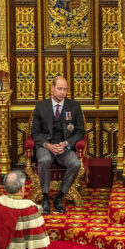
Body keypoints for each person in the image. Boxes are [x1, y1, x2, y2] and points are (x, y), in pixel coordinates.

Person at [30, 76, 85, 215]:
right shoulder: (41, 106)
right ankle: (46, 197)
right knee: (44, 160)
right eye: (59, 89)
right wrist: (47, 145)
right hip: (45, 146)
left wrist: (66, 143)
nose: (62, 92)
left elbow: (80, 132)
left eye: (65, 89)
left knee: (75, 164)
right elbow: (35, 133)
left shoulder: (74, 106)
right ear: (52, 88)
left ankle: (60, 196)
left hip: (64, 147)